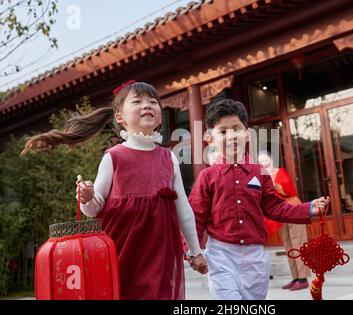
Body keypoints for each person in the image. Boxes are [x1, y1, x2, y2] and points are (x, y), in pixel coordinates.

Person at [21, 81, 208, 299]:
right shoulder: (114, 156)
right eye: (137, 101)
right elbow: (93, 208)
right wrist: (87, 197)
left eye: (152, 101)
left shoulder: (169, 158)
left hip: (161, 251)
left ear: (160, 115)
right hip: (121, 250)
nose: (146, 105)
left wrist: (194, 251)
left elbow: (183, 209)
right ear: (120, 117)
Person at [188, 98, 329, 300]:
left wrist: (308, 209)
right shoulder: (207, 176)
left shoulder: (260, 172)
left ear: (247, 134)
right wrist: (193, 251)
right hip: (221, 255)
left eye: (236, 129)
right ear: (210, 138)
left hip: (255, 257)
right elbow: (195, 216)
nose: (231, 136)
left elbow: (275, 206)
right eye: (223, 131)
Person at [257, 152, 311, 291]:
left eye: (266, 160)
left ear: (271, 159)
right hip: (282, 213)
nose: (264, 164)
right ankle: (295, 277)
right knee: (288, 244)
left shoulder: (280, 172)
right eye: (261, 162)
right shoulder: (263, 177)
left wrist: (273, 184)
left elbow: (289, 191)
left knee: (298, 242)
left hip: (294, 209)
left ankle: (303, 278)